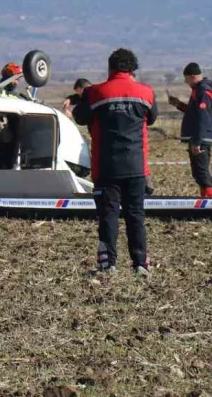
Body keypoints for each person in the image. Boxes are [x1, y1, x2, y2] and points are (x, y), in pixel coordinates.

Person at [73, 48, 156, 276]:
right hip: (136, 167)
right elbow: (153, 117)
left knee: (108, 215)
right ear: (133, 69)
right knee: (135, 215)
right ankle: (140, 263)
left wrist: (84, 97)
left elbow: (80, 117)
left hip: (106, 167)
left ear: (110, 68)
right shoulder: (147, 93)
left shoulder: (96, 92)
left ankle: (108, 264)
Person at [167, 62, 212, 198]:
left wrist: (197, 141)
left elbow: (203, 117)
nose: (185, 82)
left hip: (200, 138)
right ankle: (207, 199)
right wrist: (178, 104)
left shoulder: (203, 91)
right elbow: (194, 113)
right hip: (200, 137)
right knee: (200, 172)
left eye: (186, 78)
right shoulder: (199, 90)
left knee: (201, 172)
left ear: (192, 76)